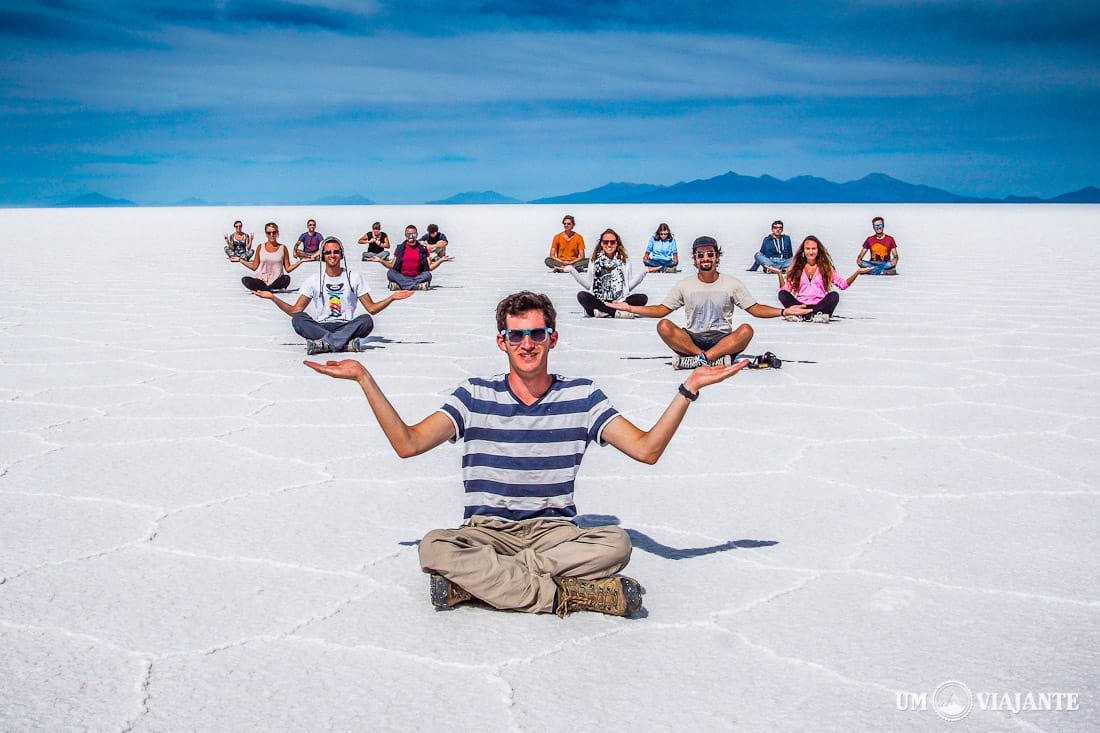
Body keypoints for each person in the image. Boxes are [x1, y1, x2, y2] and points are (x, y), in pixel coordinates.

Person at [304, 291, 748, 617]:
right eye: (516, 336)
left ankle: (480, 586)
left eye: (537, 333)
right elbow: (409, 443)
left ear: (553, 338)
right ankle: (567, 595)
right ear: (502, 342)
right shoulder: (474, 395)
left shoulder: (582, 396)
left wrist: (688, 389)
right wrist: (365, 379)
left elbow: (647, 450)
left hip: (553, 534)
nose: (527, 344)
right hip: (487, 531)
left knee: (615, 542)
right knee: (434, 547)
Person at [611, 236, 810, 369]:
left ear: (717, 257)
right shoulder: (685, 285)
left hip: (722, 339)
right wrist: (630, 308)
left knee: (746, 330)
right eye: (700, 255)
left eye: (709, 254)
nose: (705, 259)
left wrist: (784, 312)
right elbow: (661, 310)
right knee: (664, 326)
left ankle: (700, 360)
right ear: (695, 260)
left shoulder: (731, 283)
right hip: (692, 339)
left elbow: (755, 309)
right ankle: (706, 358)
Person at [252, 237, 413, 355]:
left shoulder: (354, 277)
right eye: (328, 252)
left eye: (336, 252)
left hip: (346, 325)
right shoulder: (314, 280)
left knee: (366, 320)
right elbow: (296, 310)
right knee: (298, 319)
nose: (332, 255)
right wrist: (273, 298)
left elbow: (371, 308)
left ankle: (324, 344)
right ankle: (343, 344)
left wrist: (392, 298)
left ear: (341, 255)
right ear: (323, 256)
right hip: (321, 327)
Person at [777, 236, 871, 323]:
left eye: (814, 249)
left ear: (818, 250)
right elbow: (785, 290)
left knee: (834, 296)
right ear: (803, 250)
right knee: (782, 295)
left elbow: (843, 285)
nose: (811, 252)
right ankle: (802, 313)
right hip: (802, 305)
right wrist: (779, 274)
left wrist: (857, 272)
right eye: (808, 249)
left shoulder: (826, 267)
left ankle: (810, 315)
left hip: (819, 305)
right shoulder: (797, 268)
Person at [566, 228, 648, 318]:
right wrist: (572, 271)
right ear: (601, 243)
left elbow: (628, 286)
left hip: (619, 301)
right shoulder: (594, 260)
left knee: (642, 298)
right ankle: (615, 312)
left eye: (612, 242)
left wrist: (644, 272)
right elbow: (589, 286)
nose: (609, 245)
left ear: (617, 243)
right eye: (606, 242)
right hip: (599, 300)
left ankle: (604, 311)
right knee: (582, 296)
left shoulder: (624, 261)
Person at [366, 225, 452, 291]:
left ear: (417, 235)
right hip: (402, 276)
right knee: (391, 273)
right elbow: (392, 266)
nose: (411, 236)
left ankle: (400, 285)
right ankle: (415, 286)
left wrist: (441, 260)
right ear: (405, 235)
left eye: (413, 234)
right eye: (408, 234)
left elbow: (429, 268)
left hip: (418, 276)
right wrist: (380, 260)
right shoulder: (400, 248)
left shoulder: (423, 249)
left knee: (427, 275)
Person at [231, 222, 307, 292]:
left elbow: (288, 269)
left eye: (274, 232)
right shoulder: (260, 247)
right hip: (262, 281)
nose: (271, 235)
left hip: (277, 281)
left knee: (286, 278)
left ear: (277, 233)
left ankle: (267, 289)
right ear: (266, 234)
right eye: (269, 233)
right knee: (245, 280)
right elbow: (254, 266)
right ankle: (268, 289)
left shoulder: (283, 248)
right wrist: (240, 260)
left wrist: (301, 261)